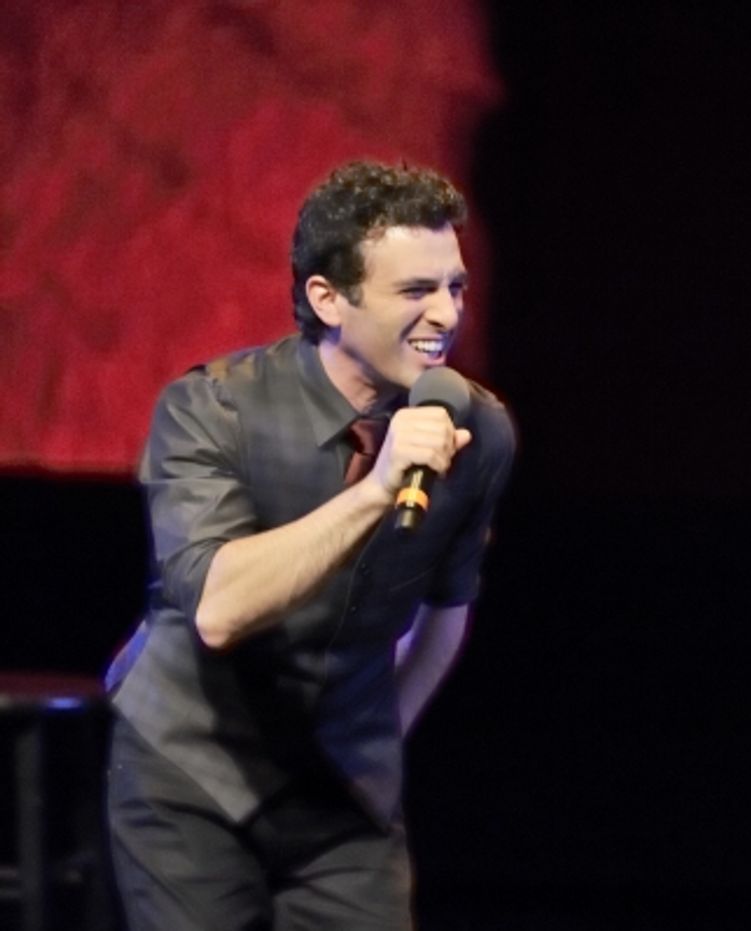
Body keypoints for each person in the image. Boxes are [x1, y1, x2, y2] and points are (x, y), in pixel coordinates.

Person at [105, 160, 514, 930]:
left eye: (454, 286)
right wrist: (375, 488)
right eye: (414, 291)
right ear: (329, 298)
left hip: (344, 790)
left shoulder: (476, 430)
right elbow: (220, 610)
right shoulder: (213, 408)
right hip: (193, 772)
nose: (445, 314)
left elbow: (445, 610)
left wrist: (378, 734)